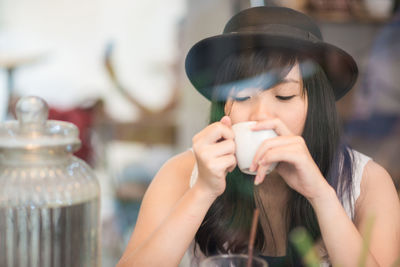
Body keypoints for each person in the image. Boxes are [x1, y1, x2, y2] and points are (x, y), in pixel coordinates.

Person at [117, 6, 400, 267]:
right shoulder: (182, 174)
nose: (261, 115)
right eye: (242, 95)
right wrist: (202, 191)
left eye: (284, 95)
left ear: (316, 106)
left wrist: (321, 194)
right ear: (225, 107)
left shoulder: (368, 183)